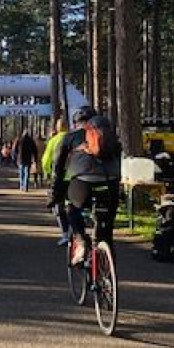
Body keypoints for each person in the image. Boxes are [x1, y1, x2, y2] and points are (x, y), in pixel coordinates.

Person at [57, 114, 122, 266]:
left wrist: (57, 192)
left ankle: (80, 241)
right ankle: (107, 254)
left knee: (71, 207)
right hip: (110, 183)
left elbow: (61, 168)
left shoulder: (80, 142)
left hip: (83, 182)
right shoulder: (114, 144)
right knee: (107, 220)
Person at [41, 118, 70, 246]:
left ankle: (65, 233)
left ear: (57, 128)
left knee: (58, 205)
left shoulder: (53, 140)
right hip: (74, 176)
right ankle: (74, 229)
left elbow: (45, 160)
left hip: (58, 177)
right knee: (73, 204)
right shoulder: (74, 138)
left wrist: (48, 173)